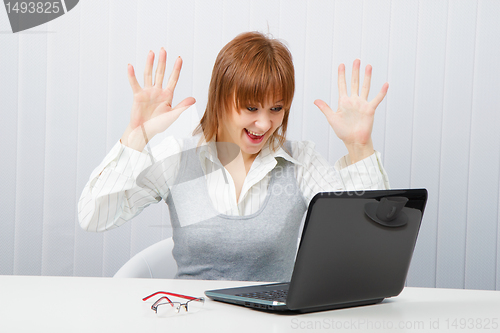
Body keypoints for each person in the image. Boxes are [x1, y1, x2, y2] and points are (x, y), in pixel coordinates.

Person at [78, 32, 390, 282]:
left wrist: (359, 146)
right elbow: (94, 217)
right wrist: (136, 135)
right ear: (221, 99)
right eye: (251, 108)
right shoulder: (179, 156)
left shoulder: (301, 161)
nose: (265, 124)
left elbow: (371, 244)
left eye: (276, 109)